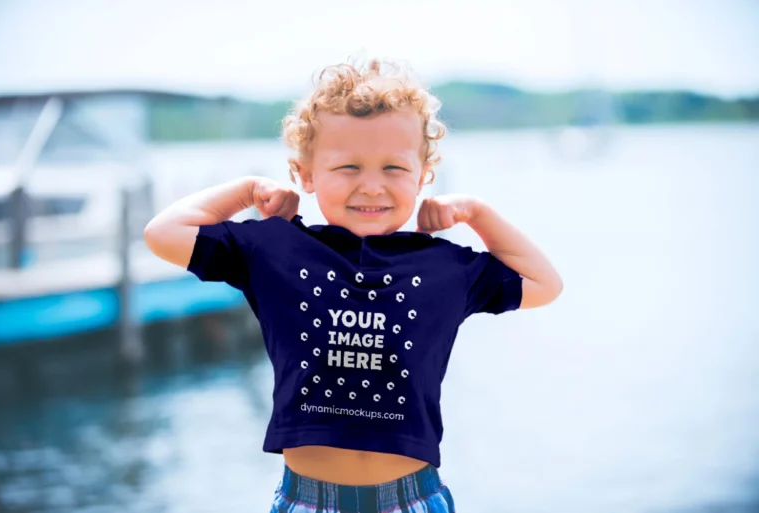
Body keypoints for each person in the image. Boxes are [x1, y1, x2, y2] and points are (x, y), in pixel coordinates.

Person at [144, 57, 563, 513]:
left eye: (393, 169)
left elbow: (544, 283)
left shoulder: (445, 266)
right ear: (305, 174)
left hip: (412, 498)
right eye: (347, 167)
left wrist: (477, 214)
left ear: (422, 175)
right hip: (307, 500)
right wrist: (246, 192)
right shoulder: (274, 250)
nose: (371, 186)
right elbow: (162, 234)